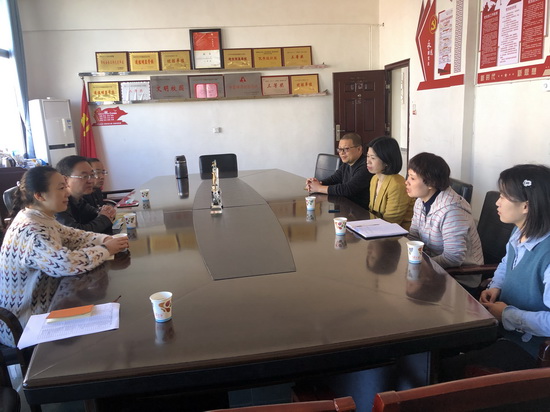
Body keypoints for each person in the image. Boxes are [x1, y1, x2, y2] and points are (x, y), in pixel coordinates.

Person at [0, 166, 128, 345]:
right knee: (105, 334)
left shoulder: (41, 218)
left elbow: (75, 236)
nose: (67, 192)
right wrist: (106, 249)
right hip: (25, 322)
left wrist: (105, 239)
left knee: (109, 317)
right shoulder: (31, 229)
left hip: (50, 306)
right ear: (39, 195)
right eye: (61, 188)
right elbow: (66, 264)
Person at [406, 152, 482, 269]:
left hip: (459, 273)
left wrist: (421, 264)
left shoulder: (452, 211)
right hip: (430, 265)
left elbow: (453, 258)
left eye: (412, 178)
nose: (407, 182)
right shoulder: (420, 202)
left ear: (430, 183)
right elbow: (414, 236)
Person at [306, 133, 372, 209]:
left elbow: (348, 189)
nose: (342, 153)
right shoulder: (347, 163)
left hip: (360, 211)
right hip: (346, 207)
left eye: (346, 149)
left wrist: (319, 188)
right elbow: (334, 179)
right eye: (340, 149)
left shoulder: (366, 166)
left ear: (359, 149)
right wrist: (317, 183)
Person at [56, 155, 116, 234]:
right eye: (84, 176)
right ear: (65, 180)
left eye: (92, 175)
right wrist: (105, 217)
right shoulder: (59, 204)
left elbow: (94, 213)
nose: (91, 181)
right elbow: (77, 233)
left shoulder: (78, 200)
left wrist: (107, 211)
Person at [366, 136, 414, 230]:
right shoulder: (374, 179)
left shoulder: (397, 185)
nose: (368, 161)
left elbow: (391, 222)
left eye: (373, 158)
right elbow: (372, 212)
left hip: (399, 234)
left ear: (386, 161)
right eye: (367, 156)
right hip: (377, 230)